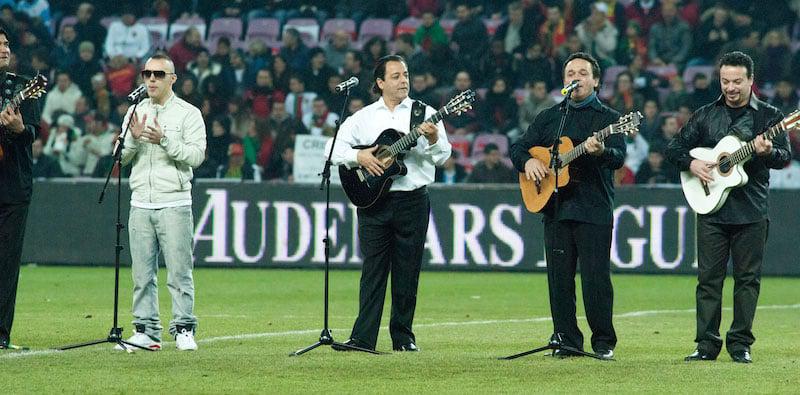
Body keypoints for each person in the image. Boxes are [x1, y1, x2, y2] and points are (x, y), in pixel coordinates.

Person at [665, 51, 791, 364]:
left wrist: (765, 152)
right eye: (725, 81)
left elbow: (784, 157)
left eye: (737, 81)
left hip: (751, 211)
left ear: (751, 81)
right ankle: (706, 345)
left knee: (747, 280)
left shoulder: (770, 116)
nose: (730, 87)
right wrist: (692, 162)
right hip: (711, 210)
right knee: (708, 280)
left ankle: (740, 345)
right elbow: (673, 148)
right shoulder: (706, 114)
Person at [330, 55, 451, 352]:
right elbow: (332, 149)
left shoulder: (426, 113)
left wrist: (433, 139)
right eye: (396, 76)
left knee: (408, 271)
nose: (404, 81)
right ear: (381, 83)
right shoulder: (363, 117)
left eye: (406, 75)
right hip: (373, 200)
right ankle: (362, 337)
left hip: (413, 200)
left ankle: (403, 337)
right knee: (372, 270)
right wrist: (360, 157)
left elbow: (442, 156)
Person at [510, 52, 625, 360]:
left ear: (596, 81)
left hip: (593, 207)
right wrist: (530, 161)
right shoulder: (550, 117)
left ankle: (603, 342)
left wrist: (599, 152)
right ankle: (566, 339)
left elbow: (619, 157)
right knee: (559, 279)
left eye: (583, 73)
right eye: (570, 72)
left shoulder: (610, 119)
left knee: (595, 279)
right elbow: (518, 148)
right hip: (556, 208)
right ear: (564, 81)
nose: (576, 77)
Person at [117, 54, 206, 351]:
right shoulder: (134, 111)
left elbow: (197, 156)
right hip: (140, 201)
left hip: (174, 201)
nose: (151, 79)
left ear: (172, 79)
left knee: (179, 271)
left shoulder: (188, 113)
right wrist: (132, 138)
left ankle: (183, 328)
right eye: (147, 74)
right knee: (142, 273)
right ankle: (145, 330)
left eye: (158, 74)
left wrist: (163, 140)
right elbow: (120, 156)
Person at [0, 27, 43, 350]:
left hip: (14, 185)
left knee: (7, 263)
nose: (4, 49)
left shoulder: (24, 86)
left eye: (6, 43)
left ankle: (1, 334)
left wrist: (18, 129)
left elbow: (33, 133)